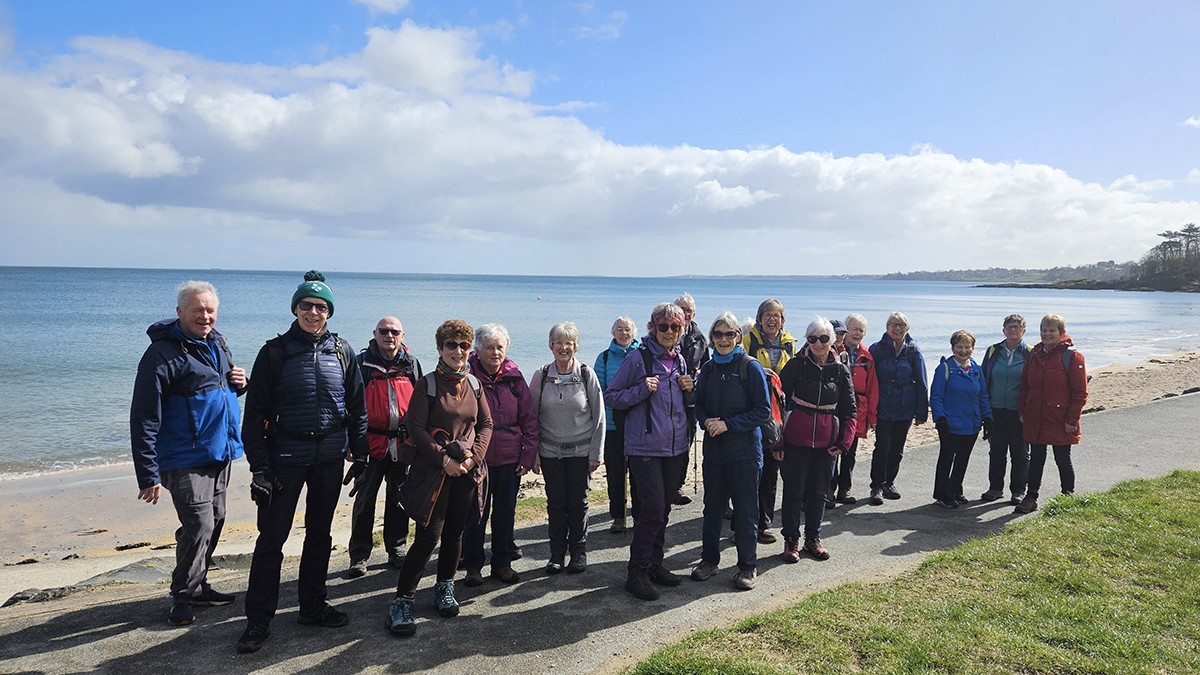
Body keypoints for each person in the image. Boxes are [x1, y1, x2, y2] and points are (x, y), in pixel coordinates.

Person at [238, 271, 369, 653]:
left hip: (328, 458)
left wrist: (360, 453)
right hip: (286, 459)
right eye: (307, 305)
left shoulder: (342, 352)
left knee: (320, 535)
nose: (313, 312)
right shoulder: (274, 352)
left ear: (329, 312)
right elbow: (255, 414)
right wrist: (259, 467)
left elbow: (358, 408)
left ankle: (312, 606)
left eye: (321, 307)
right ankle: (258, 619)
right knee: (272, 539)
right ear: (295, 308)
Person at [130, 280, 246, 627]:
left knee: (215, 520)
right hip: (184, 456)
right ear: (180, 312)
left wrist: (240, 385)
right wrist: (148, 473)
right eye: (197, 310)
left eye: (210, 310)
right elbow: (145, 415)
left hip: (218, 451)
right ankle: (182, 596)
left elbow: (218, 393)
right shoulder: (161, 354)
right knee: (198, 524)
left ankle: (199, 584)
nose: (205, 316)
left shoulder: (217, 343)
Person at [387, 319, 493, 636]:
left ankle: (444, 588)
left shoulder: (474, 384)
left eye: (463, 345)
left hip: (466, 472)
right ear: (440, 348)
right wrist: (442, 459)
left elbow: (486, 424)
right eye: (451, 345)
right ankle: (402, 600)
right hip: (433, 474)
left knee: (455, 534)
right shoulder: (428, 384)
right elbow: (415, 428)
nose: (458, 351)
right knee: (428, 537)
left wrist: (475, 457)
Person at [605, 302, 694, 600]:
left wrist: (689, 388)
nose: (669, 332)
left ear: (682, 330)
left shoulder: (680, 360)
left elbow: (683, 402)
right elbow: (612, 396)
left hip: (675, 447)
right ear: (653, 328)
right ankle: (637, 571)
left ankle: (655, 565)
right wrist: (641, 389)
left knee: (664, 509)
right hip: (644, 446)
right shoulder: (637, 359)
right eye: (663, 326)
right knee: (652, 509)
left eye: (675, 327)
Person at [691, 311, 770, 590]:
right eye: (718, 334)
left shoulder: (750, 367)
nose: (723, 339)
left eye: (729, 334)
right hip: (714, 453)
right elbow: (698, 406)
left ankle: (748, 567)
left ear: (738, 337)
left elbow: (763, 411)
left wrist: (729, 424)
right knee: (712, 509)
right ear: (711, 339)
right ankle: (709, 561)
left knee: (746, 512)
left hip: (745, 453)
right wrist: (706, 421)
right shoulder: (709, 370)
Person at [344, 317, 422, 579]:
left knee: (399, 499)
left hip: (402, 443)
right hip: (370, 443)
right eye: (384, 331)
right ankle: (359, 555)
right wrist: (351, 442)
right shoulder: (361, 363)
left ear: (402, 335)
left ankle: (397, 549)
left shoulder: (411, 363)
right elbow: (349, 404)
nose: (389, 336)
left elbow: (422, 404)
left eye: (394, 332)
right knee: (365, 500)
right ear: (374, 334)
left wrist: (418, 439)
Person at [462, 323, 538, 586]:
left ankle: (502, 564)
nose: (495, 352)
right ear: (478, 349)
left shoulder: (515, 377)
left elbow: (529, 419)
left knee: (505, 513)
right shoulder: (467, 377)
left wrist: (527, 456)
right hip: (476, 459)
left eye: (500, 347)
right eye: (490, 347)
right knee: (475, 515)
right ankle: (473, 566)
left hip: (509, 458)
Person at [775, 318, 856, 562]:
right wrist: (777, 441)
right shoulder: (796, 365)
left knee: (819, 493)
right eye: (812, 338)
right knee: (793, 492)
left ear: (832, 340)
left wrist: (844, 442)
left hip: (826, 444)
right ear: (807, 340)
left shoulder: (840, 370)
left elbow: (850, 409)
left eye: (823, 338)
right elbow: (777, 403)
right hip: (795, 441)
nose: (818, 343)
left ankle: (813, 538)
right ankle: (791, 541)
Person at [530, 322, 605, 574]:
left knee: (578, 502)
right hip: (550, 453)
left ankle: (579, 553)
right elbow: (531, 418)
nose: (564, 347)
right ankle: (556, 555)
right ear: (551, 346)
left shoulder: (586, 374)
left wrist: (596, 453)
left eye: (569, 343)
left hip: (581, 453)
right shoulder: (541, 375)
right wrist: (534, 453)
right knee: (556, 503)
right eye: (559, 343)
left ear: (576, 346)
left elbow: (599, 417)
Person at [1015, 314, 1088, 514]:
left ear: (1061, 333)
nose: (1047, 334)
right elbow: (1025, 386)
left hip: (1060, 418)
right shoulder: (1034, 353)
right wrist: (1023, 411)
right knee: (1036, 459)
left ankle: (1068, 496)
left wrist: (1072, 420)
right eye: (1044, 330)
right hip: (1035, 416)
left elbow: (1080, 393)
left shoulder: (1072, 357)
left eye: (1051, 330)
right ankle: (1031, 498)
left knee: (1062, 458)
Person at [742, 299, 798, 544]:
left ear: (782, 320)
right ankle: (743, 525)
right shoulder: (748, 341)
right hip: (753, 412)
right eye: (767, 315)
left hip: (778, 413)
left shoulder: (790, 344)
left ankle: (763, 525)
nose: (772, 320)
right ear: (759, 318)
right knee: (749, 471)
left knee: (771, 471)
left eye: (776, 316)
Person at [867, 311, 928, 505]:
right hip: (883, 405)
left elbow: (921, 382)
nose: (897, 328)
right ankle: (876, 486)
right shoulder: (877, 349)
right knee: (882, 447)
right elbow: (869, 381)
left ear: (907, 328)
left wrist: (921, 411)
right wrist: (870, 411)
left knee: (897, 448)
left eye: (901, 325)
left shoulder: (913, 350)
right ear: (887, 327)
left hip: (905, 406)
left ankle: (889, 483)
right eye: (893, 324)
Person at [929, 330, 992, 509]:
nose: (963, 351)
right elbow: (936, 396)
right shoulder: (945, 368)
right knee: (947, 458)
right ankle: (942, 493)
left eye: (967, 347)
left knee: (963, 458)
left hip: (971, 423)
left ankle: (956, 489)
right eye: (959, 347)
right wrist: (939, 418)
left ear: (972, 348)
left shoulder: (976, 369)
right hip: (950, 423)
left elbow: (983, 396)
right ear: (953, 347)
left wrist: (987, 417)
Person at [594, 316, 640, 533]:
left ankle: (640, 515)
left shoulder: (642, 355)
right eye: (620, 329)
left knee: (640, 473)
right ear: (613, 333)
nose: (624, 333)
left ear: (634, 333)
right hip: (612, 425)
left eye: (627, 330)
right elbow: (599, 392)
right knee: (615, 473)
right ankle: (618, 517)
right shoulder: (603, 358)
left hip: (638, 425)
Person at [979, 314, 1031, 505]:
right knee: (997, 451)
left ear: (1023, 331)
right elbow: (983, 380)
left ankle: (1018, 490)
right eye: (1009, 326)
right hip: (995, 411)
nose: (1013, 329)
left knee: (1020, 453)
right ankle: (995, 488)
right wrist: (984, 411)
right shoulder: (993, 351)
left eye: (1017, 326)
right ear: (1003, 330)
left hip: (1020, 414)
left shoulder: (1030, 353)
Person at [834, 313, 877, 504]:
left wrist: (871, 417)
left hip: (858, 408)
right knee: (833, 449)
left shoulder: (867, 357)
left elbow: (872, 388)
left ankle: (845, 489)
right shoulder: (835, 351)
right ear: (845, 330)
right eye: (854, 329)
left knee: (850, 452)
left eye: (861, 330)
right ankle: (828, 490)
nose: (857, 333)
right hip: (835, 406)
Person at [672, 293, 711, 506]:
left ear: (694, 313)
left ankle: (676, 487)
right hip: (666, 398)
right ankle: (666, 486)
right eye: (682, 309)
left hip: (689, 400)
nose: (685, 314)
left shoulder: (699, 338)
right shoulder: (666, 331)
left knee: (685, 442)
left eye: (689, 310)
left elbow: (706, 370)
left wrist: (696, 385)